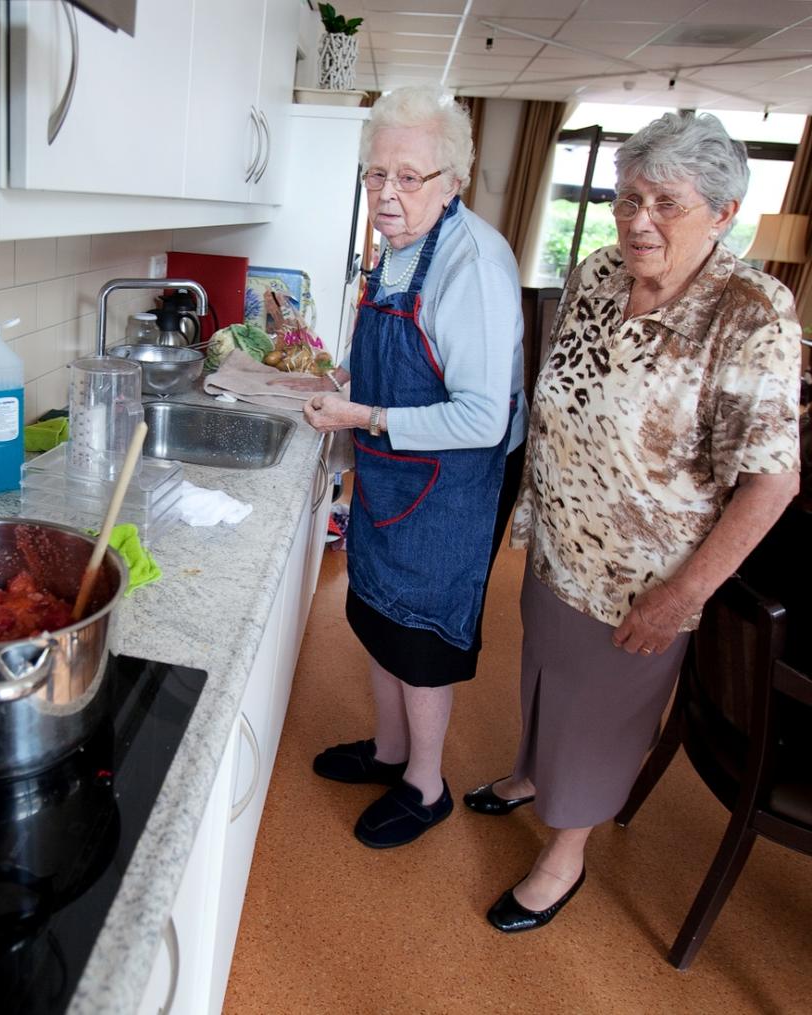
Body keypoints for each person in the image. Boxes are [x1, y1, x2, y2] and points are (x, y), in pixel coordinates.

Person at [466, 111, 801, 933]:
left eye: (666, 203)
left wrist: (683, 595)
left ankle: (563, 855)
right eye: (629, 196)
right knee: (546, 671)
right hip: (556, 545)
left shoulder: (752, 314)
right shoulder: (597, 270)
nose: (638, 219)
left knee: (604, 714)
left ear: (724, 213)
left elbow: (771, 483)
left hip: (641, 576)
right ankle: (530, 773)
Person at [290, 86, 527, 848]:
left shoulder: (474, 264)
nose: (386, 193)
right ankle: (390, 750)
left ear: (453, 179)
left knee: (420, 638)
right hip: (394, 473)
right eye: (375, 174)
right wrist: (347, 393)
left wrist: (364, 418)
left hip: (452, 483)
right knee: (378, 615)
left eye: (409, 176)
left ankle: (425, 785)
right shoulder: (396, 251)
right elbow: (395, 368)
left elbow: (482, 416)